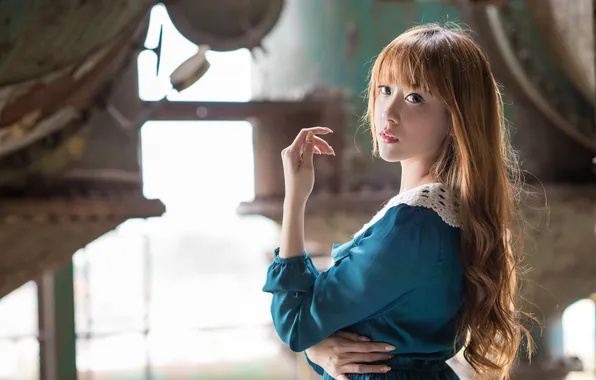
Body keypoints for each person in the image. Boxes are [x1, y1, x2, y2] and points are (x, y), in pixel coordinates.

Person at [262, 23, 533, 380]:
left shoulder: (412, 226)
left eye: (415, 98)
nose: (387, 113)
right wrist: (322, 350)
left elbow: (295, 323)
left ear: (455, 118)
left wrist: (294, 199)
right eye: (385, 89)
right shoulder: (451, 211)